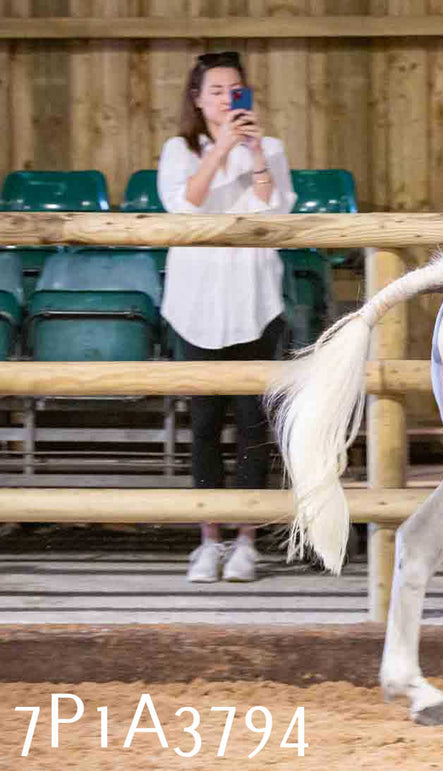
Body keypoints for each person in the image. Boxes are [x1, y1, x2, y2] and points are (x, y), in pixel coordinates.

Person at [157, 51, 297, 583]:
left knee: (252, 426)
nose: (225, 98)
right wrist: (218, 150)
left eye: (233, 89)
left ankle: (246, 541)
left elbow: (275, 208)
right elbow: (185, 206)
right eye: (215, 90)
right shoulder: (179, 149)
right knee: (204, 426)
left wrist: (255, 152)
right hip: (197, 305)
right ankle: (208, 540)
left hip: (255, 301)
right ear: (197, 98)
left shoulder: (272, 147)